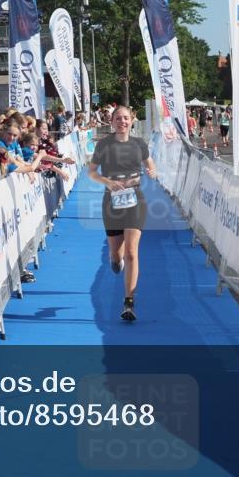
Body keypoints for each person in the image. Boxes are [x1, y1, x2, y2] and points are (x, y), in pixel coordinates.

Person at [87, 105, 157, 323]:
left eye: (126, 118)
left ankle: (129, 301)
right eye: (118, 118)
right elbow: (91, 172)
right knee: (117, 257)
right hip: (112, 202)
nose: (122, 122)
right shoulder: (104, 144)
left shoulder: (139, 144)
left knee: (132, 252)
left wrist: (152, 172)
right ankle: (115, 260)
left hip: (135, 201)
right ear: (112, 121)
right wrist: (107, 182)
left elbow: (151, 166)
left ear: (132, 120)